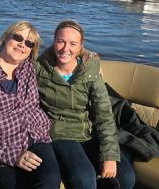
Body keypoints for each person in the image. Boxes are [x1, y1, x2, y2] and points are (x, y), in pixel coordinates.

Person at [36, 20, 135, 189]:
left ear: (81, 47)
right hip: (59, 132)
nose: (65, 48)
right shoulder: (39, 68)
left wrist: (109, 155)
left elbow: (104, 113)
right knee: (84, 179)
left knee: (126, 177)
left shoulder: (90, 70)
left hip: (89, 131)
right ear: (54, 41)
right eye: (60, 41)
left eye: (73, 44)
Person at [0, 21, 61, 189]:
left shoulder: (28, 66)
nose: (22, 45)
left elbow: (64, 50)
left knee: (51, 181)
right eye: (18, 38)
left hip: (36, 137)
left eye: (29, 43)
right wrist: (14, 155)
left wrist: (88, 56)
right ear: (5, 37)